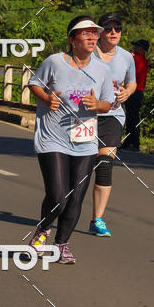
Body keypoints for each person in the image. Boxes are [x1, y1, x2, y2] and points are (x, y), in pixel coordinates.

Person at [28, 15, 114, 264]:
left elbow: (108, 103)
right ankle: (42, 233)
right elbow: (34, 83)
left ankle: (61, 244)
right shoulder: (55, 62)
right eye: (85, 33)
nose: (92, 37)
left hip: (85, 140)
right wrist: (47, 98)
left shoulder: (101, 70)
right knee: (57, 195)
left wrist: (97, 104)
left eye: (94, 33)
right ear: (72, 39)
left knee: (76, 196)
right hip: (53, 138)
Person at [88, 11, 136, 237]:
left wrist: (127, 91)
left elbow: (132, 83)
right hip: (86, 115)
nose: (114, 32)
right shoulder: (88, 53)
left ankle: (98, 219)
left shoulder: (127, 57)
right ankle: (68, 208)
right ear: (100, 32)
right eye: (109, 28)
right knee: (79, 168)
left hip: (113, 116)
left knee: (104, 166)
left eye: (118, 28)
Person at [123, 39, 150, 151]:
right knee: (131, 118)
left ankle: (134, 144)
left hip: (135, 91)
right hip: (137, 92)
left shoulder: (137, 60)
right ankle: (129, 142)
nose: (135, 48)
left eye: (137, 46)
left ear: (142, 49)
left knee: (132, 118)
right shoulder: (142, 60)